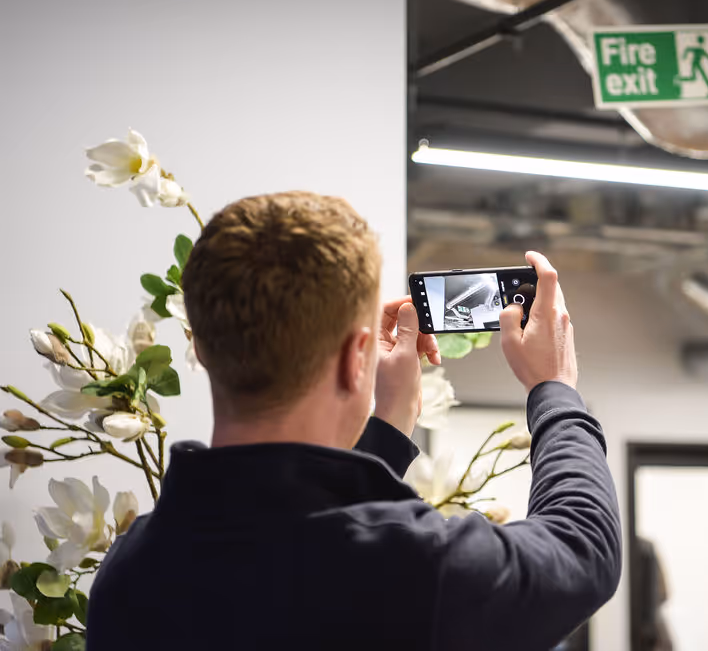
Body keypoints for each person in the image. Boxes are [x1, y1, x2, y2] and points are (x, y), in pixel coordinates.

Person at [87, 191, 622, 650]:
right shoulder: (412, 567)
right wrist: (554, 388)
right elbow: (582, 548)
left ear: (200, 348)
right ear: (355, 357)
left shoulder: (130, 572)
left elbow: (297, 528)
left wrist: (389, 425)